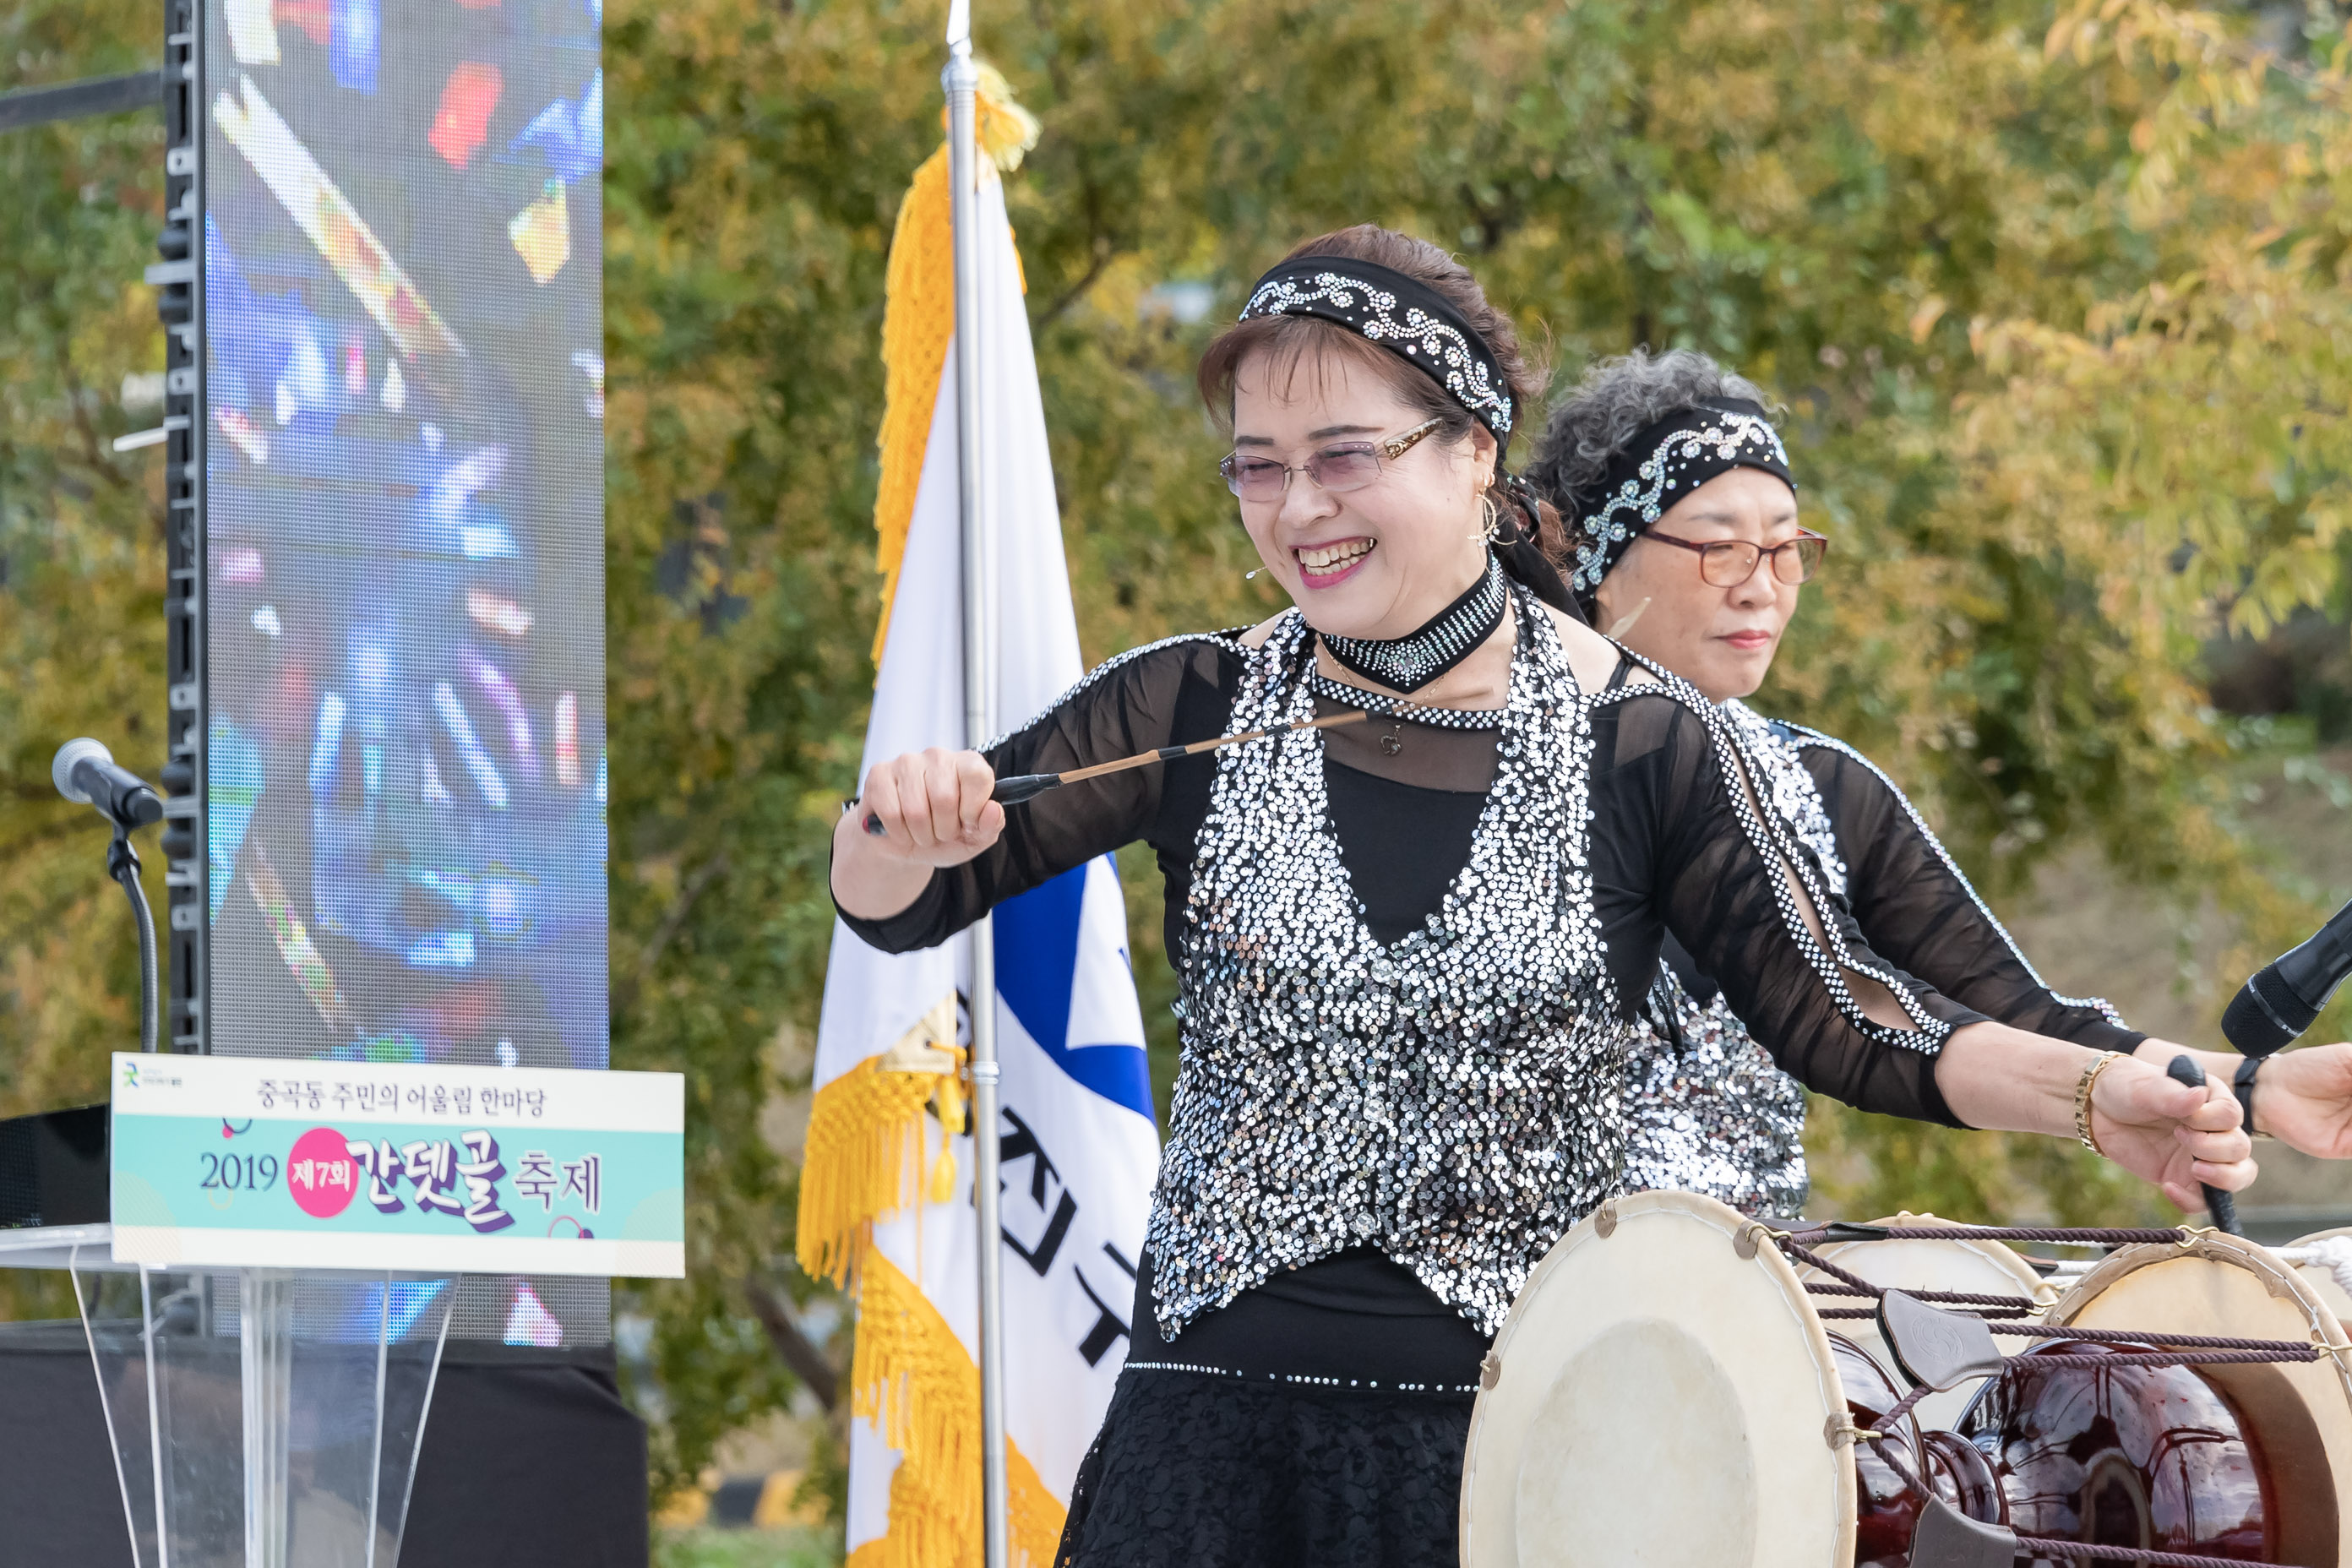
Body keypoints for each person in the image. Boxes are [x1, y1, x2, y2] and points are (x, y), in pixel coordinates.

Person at [829, 226, 2250, 1566]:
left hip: (1520, 1456)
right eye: (1255, 467)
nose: (1296, 508)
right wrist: (901, 821)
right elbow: (891, 901)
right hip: (1206, 1456)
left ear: (1471, 454)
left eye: (1341, 455)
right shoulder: (1188, 697)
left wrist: (2090, 1092)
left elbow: (1848, 1016)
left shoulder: (1646, 740)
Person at [1523, 348, 2352, 1218]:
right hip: (1528, 1317)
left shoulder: (1818, 784)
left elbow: (2014, 1015)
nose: (1763, 590)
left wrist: (2255, 1087)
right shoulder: (1490, 774)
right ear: (1594, 555)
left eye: (1785, 549)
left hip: (1754, 1312)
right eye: (1723, 550)